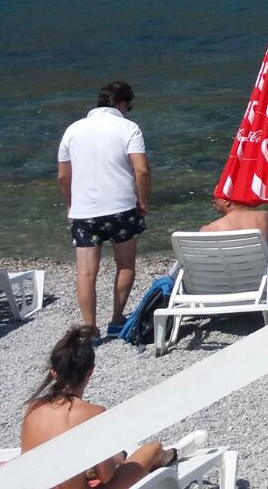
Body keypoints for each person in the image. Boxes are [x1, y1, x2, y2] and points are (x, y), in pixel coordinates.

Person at [19, 324, 177, 488]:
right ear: (90, 371)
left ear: (54, 372)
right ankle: (166, 456)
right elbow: (106, 476)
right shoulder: (93, 413)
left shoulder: (33, 407)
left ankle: (118, 457)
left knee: (110, 458)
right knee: (152, 449)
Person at [57, 81, 149, 334]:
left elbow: (63, 176)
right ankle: (116, 321)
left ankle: (90, 330)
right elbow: (141, 170)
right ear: (122, 104)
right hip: (121, 208)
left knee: (86, 273)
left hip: (84, 212)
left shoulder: (73, 130)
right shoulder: (128, 128)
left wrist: (70, 203)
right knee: (125, 265)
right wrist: (143, 200)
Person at [201, 197, 268, 262]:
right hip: (260, 274)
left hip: (222, 275)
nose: (213, 201)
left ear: (227, 201)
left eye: (214, 198)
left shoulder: (207, 230)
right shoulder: (264, 216)